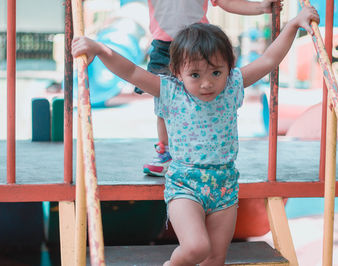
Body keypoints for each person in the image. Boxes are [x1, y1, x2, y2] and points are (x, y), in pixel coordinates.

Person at [71, 5, 319, 265]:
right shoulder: (171, 91)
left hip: (224, 186)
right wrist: (100, 49)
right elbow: (132, 71)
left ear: (228, 68)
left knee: (216, 258)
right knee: (196, 247)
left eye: (216, 72)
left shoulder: (232, 85)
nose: (206, 83)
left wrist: (292, 25)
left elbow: (269, 59)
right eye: (195, 74)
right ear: (178, 72)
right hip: (185, 185)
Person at [140, 0, 283, 177]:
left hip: (198, 45)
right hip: (164, 46)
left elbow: (227, 2)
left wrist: (260, 7)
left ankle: (208, 149)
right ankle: (166, 151)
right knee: (164, 103)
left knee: (207, 98)